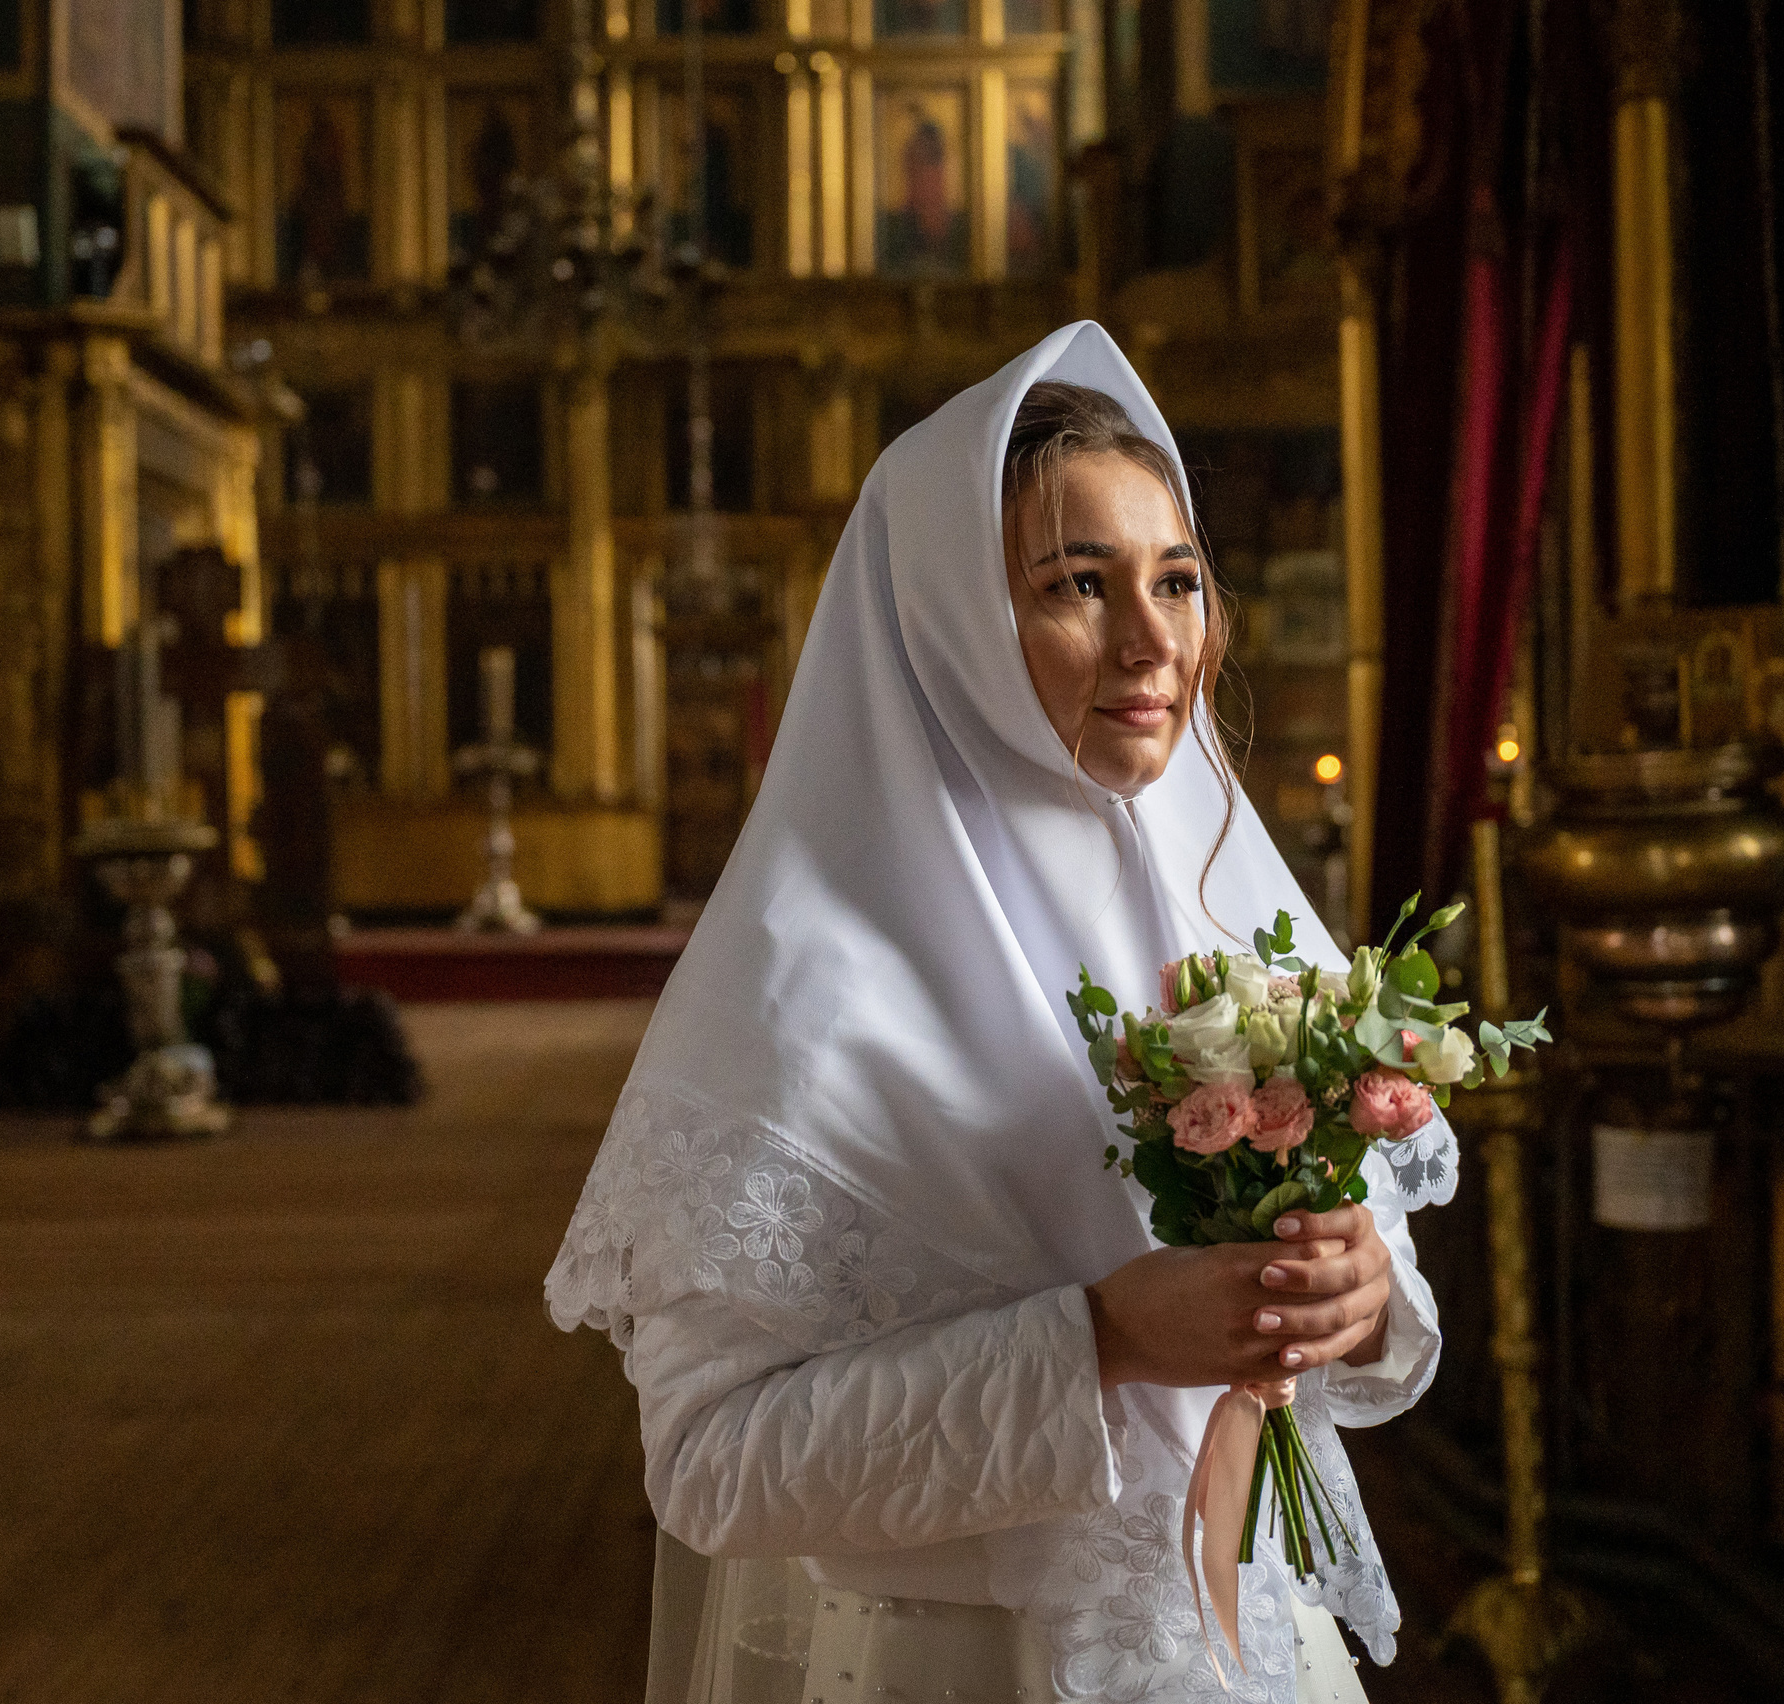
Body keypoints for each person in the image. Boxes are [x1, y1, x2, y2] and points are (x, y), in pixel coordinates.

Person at [547, 322, 1452, 1704]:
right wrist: (1107, 1340)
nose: (1153, 641)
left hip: (1246, 1645)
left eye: (1177, 580)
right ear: (950, 620)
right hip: (961, 1663)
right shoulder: (809, 978)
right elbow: (713, 1465)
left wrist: (1361, 1300)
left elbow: (1375, 1331)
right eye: (1078, 585)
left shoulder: (1226, 913)